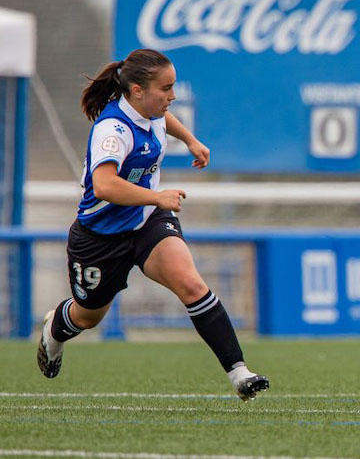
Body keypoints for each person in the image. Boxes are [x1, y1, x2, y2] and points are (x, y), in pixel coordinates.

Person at [35, 49, 269, 401]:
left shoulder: (152, 110)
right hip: (100, 237)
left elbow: (164, 120)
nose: (172, 96)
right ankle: (54, 328)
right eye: (166, 89)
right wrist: (157, 197)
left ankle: (240, 374)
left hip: (146, 223)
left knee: (191, 284)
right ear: (137, 90)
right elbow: (104, 185)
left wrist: (190, 140)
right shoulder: (112, 130)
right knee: (87, 318)